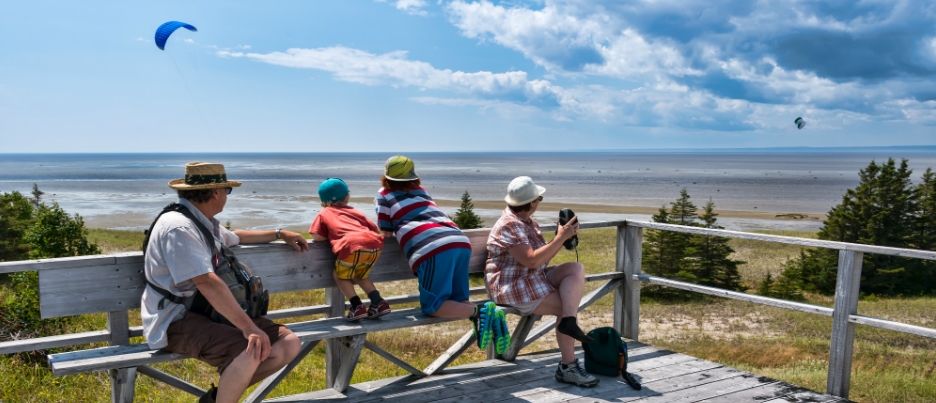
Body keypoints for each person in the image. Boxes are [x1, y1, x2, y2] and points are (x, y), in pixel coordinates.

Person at [141, 162, 308, 403]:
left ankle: (216, 400)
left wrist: (280, 233)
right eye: (227, 191)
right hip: (175, 319)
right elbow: (206, 282)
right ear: (216, 193)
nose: (227, 197)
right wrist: (248, 327)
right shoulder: (179, 228)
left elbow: (237, 237)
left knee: (288, 343)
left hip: (209, 312)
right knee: (248, 351)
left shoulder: (199, 221)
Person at [375, 155, 509, 353]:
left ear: (386, 177)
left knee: (433, 307)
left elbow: (385, 230)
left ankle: (480, 310)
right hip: (460, 240)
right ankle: (493, 314)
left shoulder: (384, 194)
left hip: (433, 248)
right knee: (457, 300)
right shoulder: (422, 191)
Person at [485, 176, 599, 387]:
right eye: (539, 198)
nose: (540, 201)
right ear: (531, 202)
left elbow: (541, 259)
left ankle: (569, 329)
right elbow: (531, 260)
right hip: (511, 287)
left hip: (532, 277)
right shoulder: (509, 225)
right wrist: (559, 238)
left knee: (575, 268)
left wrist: (562, 237)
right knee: (567, 308)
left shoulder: (528, 222)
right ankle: (568, 366)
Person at [310, 177, 390, 321]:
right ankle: (378, 302)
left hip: (351, 246)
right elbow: (374, 228)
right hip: (374, 245)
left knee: (339, 275)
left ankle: (356, 306)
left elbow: (317, 237)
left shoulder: (324, 213)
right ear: (347, 197)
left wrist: (332, 235)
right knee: (360, 274)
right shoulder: (356, 211)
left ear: (323, 201)